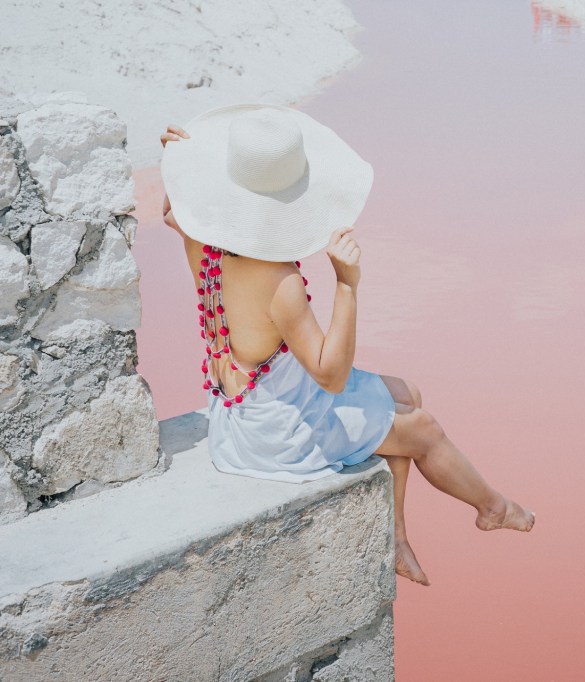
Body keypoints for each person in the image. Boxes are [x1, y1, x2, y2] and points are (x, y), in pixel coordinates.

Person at [159, 103, 534, 587]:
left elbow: (173, 209)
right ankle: (493, 507)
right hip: (278, 434)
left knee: (408, 392)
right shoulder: (279, 282)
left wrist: (176, 160)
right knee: (422, 429)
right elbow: (330, 374)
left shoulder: (201, 241)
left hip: (242, 410)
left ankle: (396, 536)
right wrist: (347, 285)